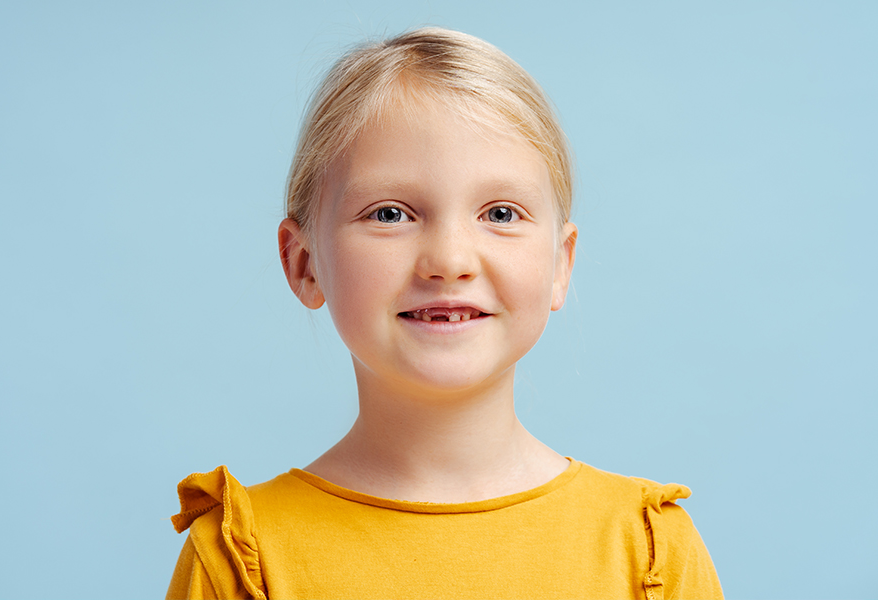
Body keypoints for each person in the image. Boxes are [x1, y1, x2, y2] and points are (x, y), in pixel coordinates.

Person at [166, 27, 723, 600]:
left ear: (560, 264)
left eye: (501, 213)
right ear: (305, 264)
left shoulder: (649, 551)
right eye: (389, 214)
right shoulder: (238, 560)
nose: (450, 261)